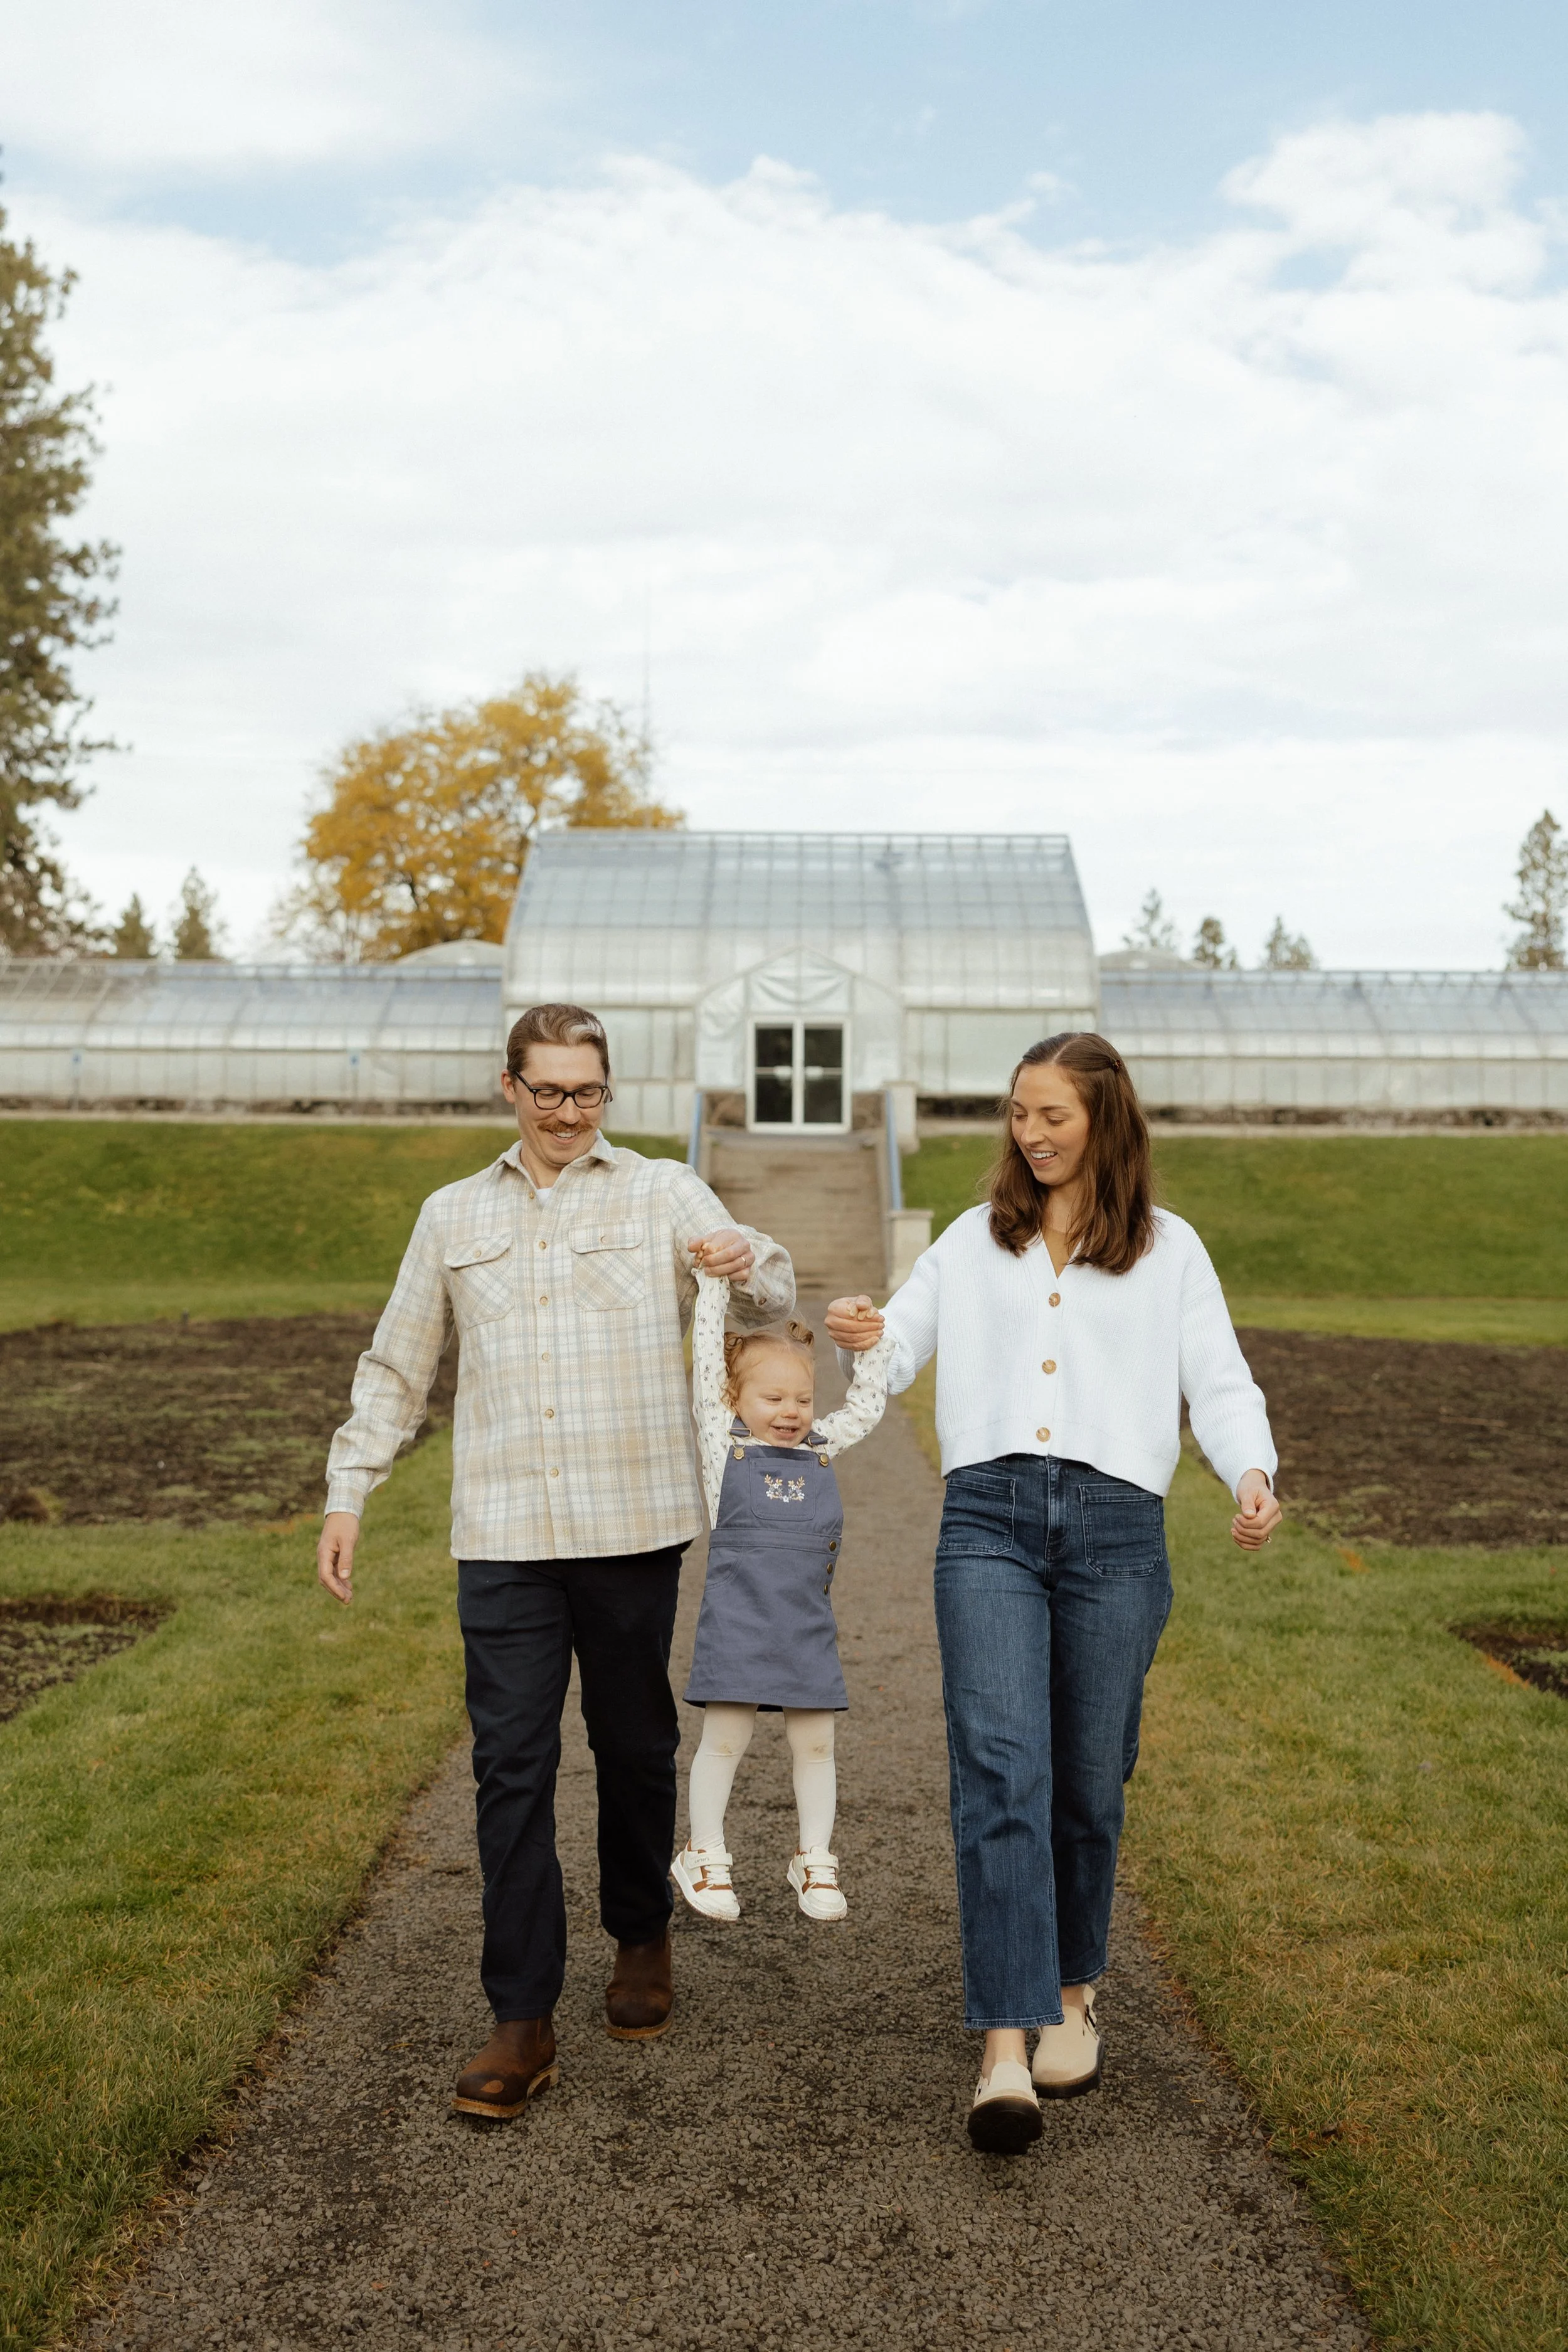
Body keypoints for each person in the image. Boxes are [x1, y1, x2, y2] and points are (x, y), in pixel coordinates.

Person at [316, 1002, 794, 2124]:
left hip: (633, 1527)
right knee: (510, 1771)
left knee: (634, 1749)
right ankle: (521, 2018)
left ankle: (640, 1935)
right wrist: (350, 1492)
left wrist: (748, 1258)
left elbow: (768, 1297)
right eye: (548, 1091)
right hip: (504, 1539)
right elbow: (398, 1365)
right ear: (509, 1088)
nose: (568, 1112)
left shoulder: (663, 1192)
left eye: (587, 1092)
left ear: (608, 1093)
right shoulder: (451, 1215)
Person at [827, 1031, 1281, 2156]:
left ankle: (1075, 1986)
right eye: (1019, 1114)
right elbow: (896, 1353)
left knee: (1086, 1778)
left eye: (1053, 1117)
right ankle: (1004, 2047)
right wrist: (864, 1340)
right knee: (999, 1766)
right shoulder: (973, 1243)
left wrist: (1253, 1471)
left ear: (1105, 1121)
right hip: (986, 1519)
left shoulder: (1170, 1251)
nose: (1031, 1135)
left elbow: (1217, 1382)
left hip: (1118, 1530)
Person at [669, 1272, 893, 1926]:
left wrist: (872, 1346)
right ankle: (703, 1851)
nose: (791, 1411)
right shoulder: (725, 1445)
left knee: (817, 1746)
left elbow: (866, 1408)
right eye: (773, 1398)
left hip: (803, 1629)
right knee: (725, 1741)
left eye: (803, 1398)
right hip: (738, 1625)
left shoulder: (821, 1450)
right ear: (732, 1398)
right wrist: (712, 1286)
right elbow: (706, 1354)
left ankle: (814, 1856)